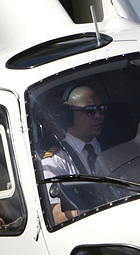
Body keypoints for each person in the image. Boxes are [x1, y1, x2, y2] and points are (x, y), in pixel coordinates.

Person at [41, 85, 107, 224]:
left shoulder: (114, 148)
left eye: (101, 109)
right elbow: (56, 214)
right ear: (69, 115)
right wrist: (84, 211)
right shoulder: (55, 162)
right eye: (89, 111)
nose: (98, 116)